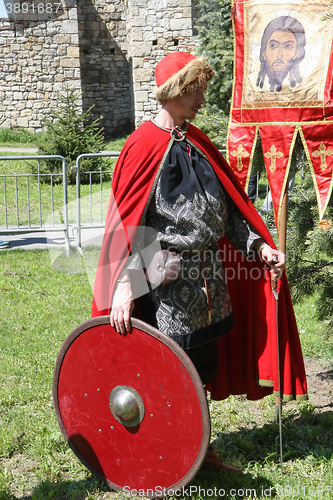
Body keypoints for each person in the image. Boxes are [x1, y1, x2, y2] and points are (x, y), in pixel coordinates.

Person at [92, 52, 307, 473]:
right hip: (164, 285)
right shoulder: (141, 147)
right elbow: (127, 228)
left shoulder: (198, 143)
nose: (201, 100)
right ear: (174, 91)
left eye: (202, 91)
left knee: (202, 369)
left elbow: (230, 212)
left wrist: (259, 248)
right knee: (166, 373)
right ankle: (164, 454)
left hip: (210, 281)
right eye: (195, 91)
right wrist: (127, 285)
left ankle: (200, 452)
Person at [256, 16, 306, 92]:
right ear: (263, 52)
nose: (279, 55)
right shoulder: (252, 89)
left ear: (296, 53)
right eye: (273, 46)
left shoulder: (305, 88)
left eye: (288, 46)